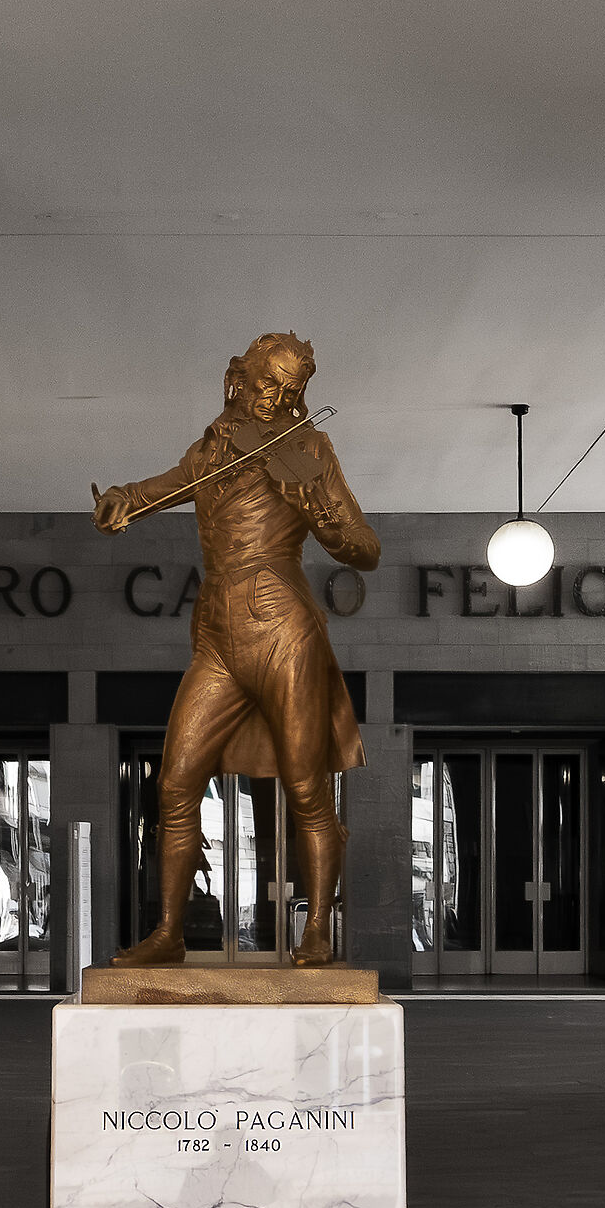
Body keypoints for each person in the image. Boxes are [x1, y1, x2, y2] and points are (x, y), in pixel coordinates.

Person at [92, 332, 379, 967]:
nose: (277, 401)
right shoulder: (213, 446)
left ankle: (319, 932)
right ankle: (169, 933)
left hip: (283, 627)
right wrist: (123, 500)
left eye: (292, 391)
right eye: (267, 385)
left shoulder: (309, 449)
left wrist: (320, 513)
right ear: (235, 380)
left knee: (307, 788)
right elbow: (162, 488)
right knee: (174, 783)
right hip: (217, 635)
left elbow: (365, 549)